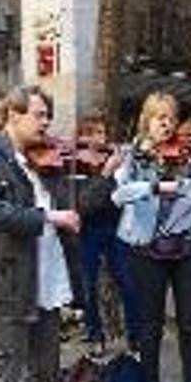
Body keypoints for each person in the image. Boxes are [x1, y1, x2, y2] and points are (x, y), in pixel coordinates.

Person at [0, 86, 114, 382]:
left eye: (48, 115)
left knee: (46, 377)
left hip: (46, 282)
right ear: (13, 116)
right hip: (6, 288)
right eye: (39, 114)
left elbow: (76, 209)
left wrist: (107, 178)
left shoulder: (44, 163)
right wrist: (47, 217)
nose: (46, 122)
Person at [112, 92, 191, 382]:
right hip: (146, 249)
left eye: (170, 117)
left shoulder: (188, 154)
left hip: (186, 247)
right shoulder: (133, 155)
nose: (166, 124)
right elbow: (118, 193)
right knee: (149, 326)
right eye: (159, 118)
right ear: (146, 121)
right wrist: (153, 188)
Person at [75, 111, 142, 351]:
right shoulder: (76, 162)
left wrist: (125, 168)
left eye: (104, 132)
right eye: (96, 133)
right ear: (83, 136)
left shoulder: (115, 159)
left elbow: (127, 193)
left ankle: (135, 336)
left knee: (128, 283)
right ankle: (95, 336)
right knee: (88, 285)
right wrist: (105, 173)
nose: (102, 139)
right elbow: (84, 203)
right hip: (89, 229)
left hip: (115, 226)